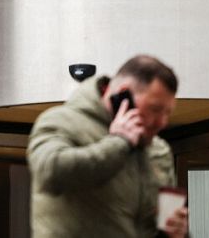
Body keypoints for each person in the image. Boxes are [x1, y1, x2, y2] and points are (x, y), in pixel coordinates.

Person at [27, 54, 191, 238]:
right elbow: (49, 172)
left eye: (167, 113)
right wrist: (119, 142)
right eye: (155, 109)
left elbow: (149, 228)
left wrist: (175, 232)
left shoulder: (158, 150)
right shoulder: (60, 122)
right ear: (123, 95)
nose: (162, 122)